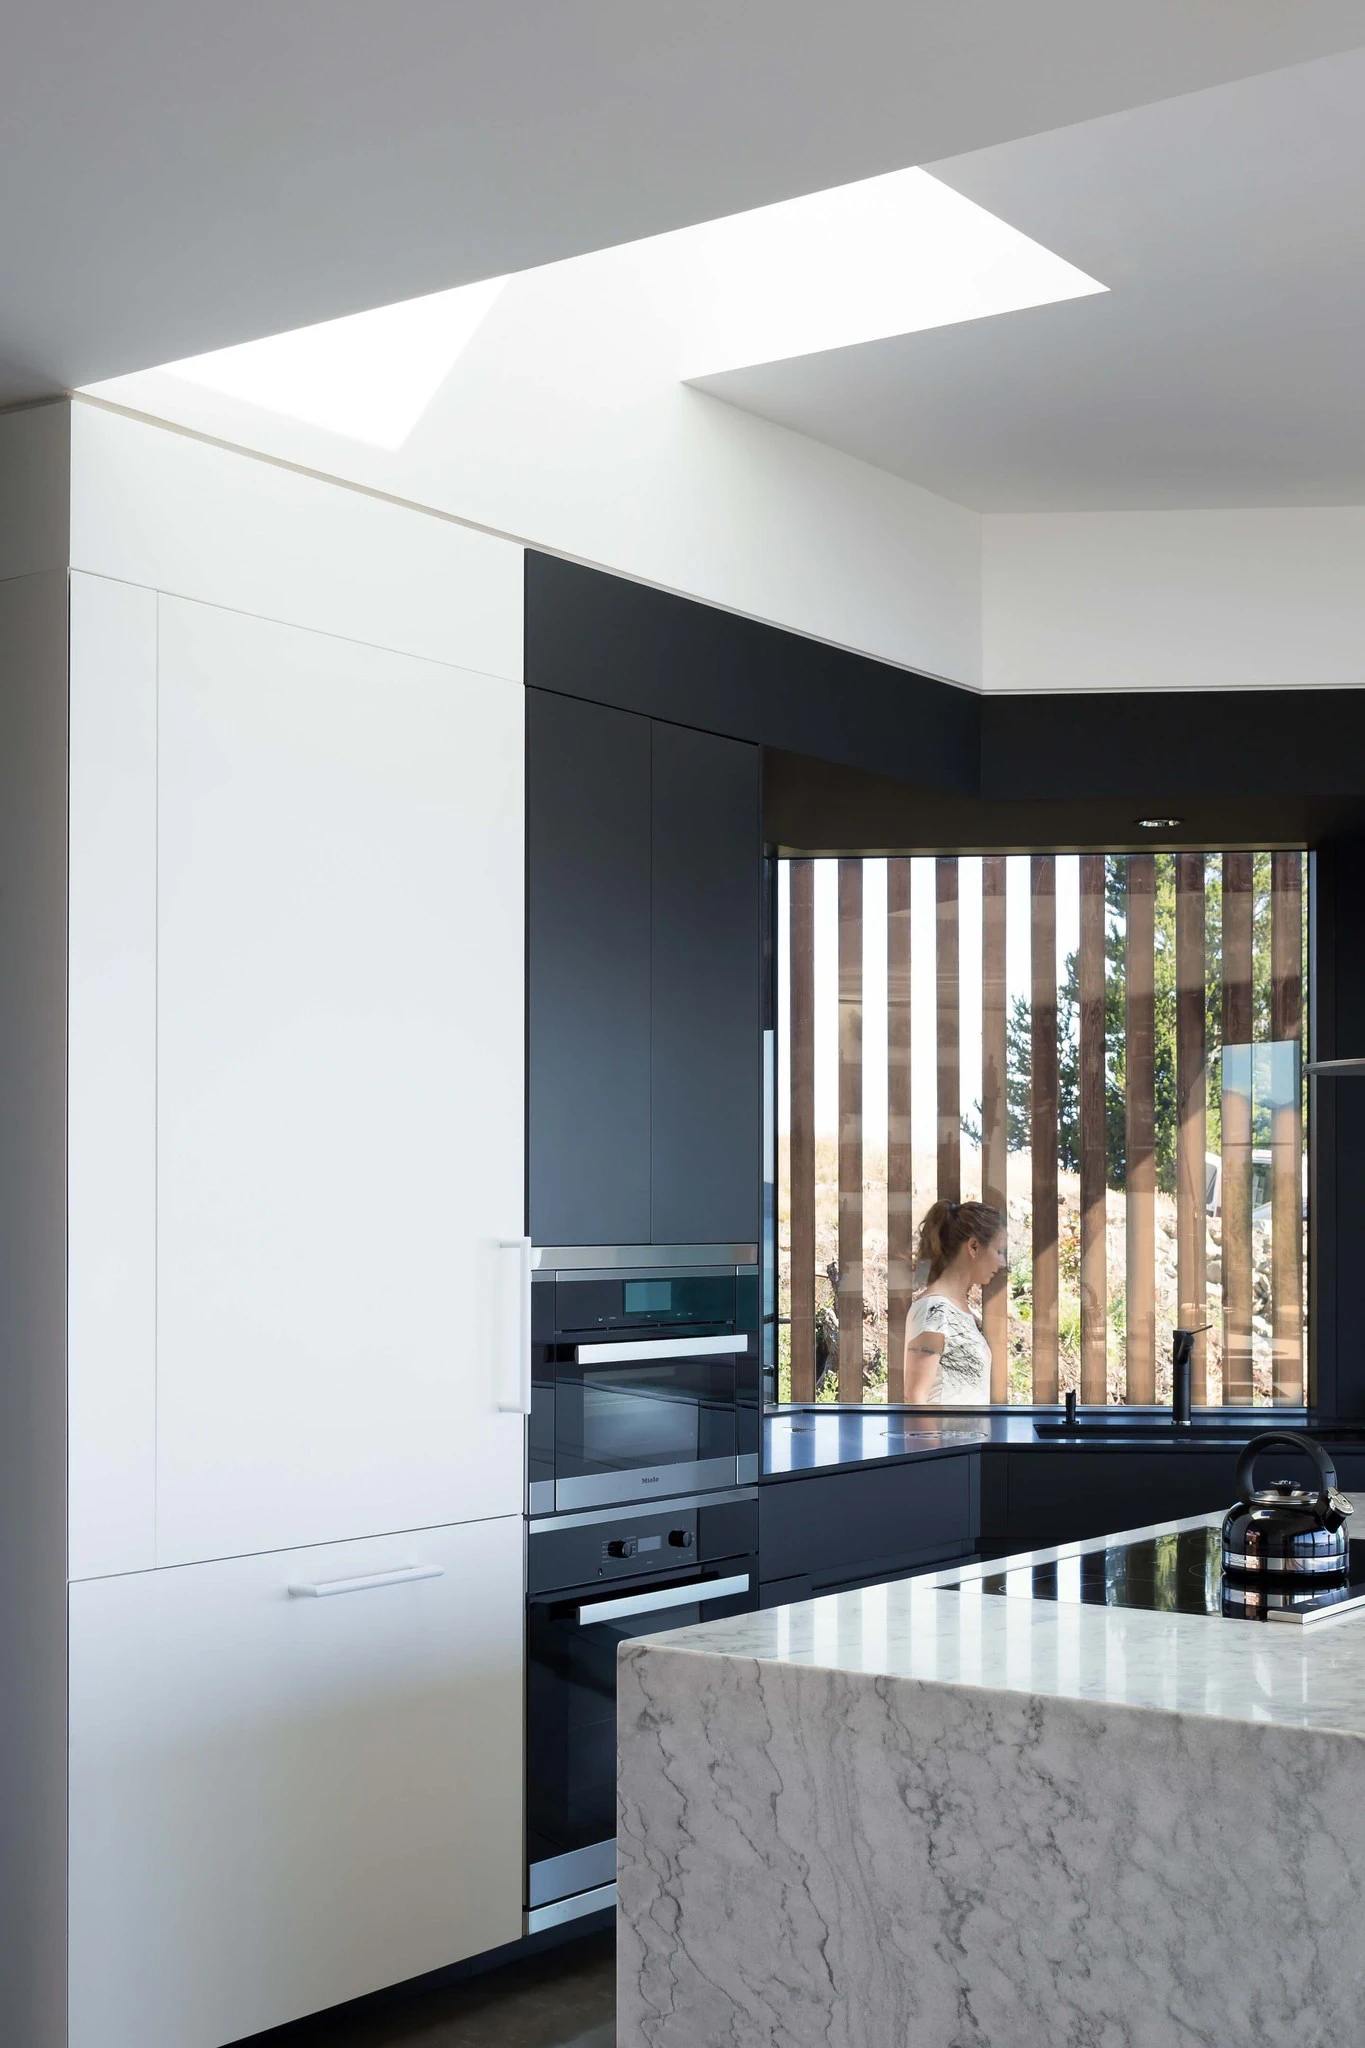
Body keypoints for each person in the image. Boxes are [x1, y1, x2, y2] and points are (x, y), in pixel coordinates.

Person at [903, 1199, 1005, 1405]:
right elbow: (915, 1399)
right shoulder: (934, 1310)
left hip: (970, 1437)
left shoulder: (962, 1311)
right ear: (974, 1246)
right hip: (945, 1437)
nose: (1002, 1262)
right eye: (999, 1251)